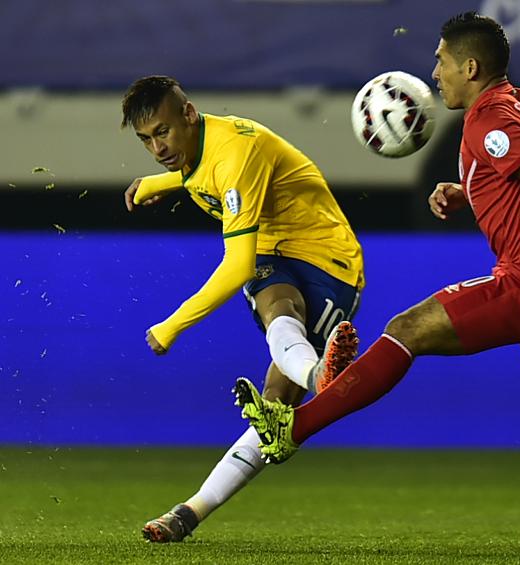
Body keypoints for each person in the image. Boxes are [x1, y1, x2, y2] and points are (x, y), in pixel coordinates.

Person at [233, 12, 520, 545]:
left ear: (471, 65)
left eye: (441, 60)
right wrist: (470, 189)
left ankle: (291, 428)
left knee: (406, 329)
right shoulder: (519, 102)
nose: (435, 73)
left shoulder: (490, 120)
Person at [120, 75, 363, 542]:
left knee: (275, 406)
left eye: (163, 132)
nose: (157, 147)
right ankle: (186, 514)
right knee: (278, 312)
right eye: (146, 139)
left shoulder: (236, 151)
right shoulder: (198, 149)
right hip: (275, 250)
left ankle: (312, 378)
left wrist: (172, 326)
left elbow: (236, 266)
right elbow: (199, 173)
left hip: (329, 257)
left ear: (189, 114)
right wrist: (161, 181)